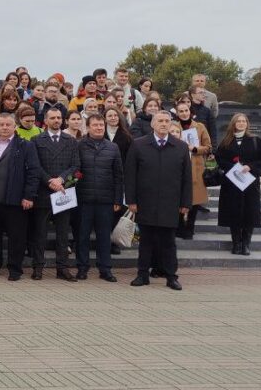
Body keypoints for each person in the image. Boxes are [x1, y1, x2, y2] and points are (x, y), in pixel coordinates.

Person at [125, 112, 192, 290]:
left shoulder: (180, 147)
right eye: (160, 121)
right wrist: (131, 200)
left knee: (168, 242)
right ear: (153, 124)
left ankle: (171, 277)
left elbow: (186, 178)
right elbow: (130, 175)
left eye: (167, 121)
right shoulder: (139, 145)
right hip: (145, 202)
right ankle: (142, 274)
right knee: (146, 241)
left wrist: (186, 203)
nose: (164, 124)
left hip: (170, 203)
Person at [0, 113, 40, 281]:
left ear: (14, 127)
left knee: (16, 237)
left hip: (16, 200)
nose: (4, 127)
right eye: (1, 124)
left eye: (8, 125)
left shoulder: (25, 146)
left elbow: (33, 172)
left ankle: (15, 269)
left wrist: (29, 196)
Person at [30, 107, 79, 282]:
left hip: (64, 193)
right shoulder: (36, 140)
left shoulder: (71, 141)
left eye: (59, 117)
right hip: (43, 192)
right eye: (53, 118)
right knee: (40, 233)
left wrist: (61, 179)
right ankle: (38, 267)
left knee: (63, 233)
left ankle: (62, 268)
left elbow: (75, 166)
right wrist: (50, 181)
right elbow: (35, 166)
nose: (57, 120)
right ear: (45, 120)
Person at [74, 114, 124, 282]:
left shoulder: (113, 147)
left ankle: (105, 269)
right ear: (87, 127)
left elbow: (119, 176)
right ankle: (82, 268)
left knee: (104, 237)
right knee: (82, 237)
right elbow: (74, 171)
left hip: (106, 201)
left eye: (101, 125)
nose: (99, 128)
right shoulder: (79, 146)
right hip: (84, 200)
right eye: (95, 125)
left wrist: (118, 199)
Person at [215, 113, 261, 255]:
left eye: (243, 121)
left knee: (249, 212)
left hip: (249, 183)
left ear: (247, 124)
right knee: (233, 212)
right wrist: (233, 168)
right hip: (232, 183)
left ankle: (245, 243)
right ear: (233, 124)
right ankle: (236, 242)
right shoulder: (226, 141)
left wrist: (250, 166)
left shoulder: (255, 140)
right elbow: (219, 159)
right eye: (238, 121)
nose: (241, 123)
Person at [174, 102, 213, 239]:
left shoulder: (200, 126)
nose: (184, 113)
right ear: (177, 113)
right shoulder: (173, 126)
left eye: (186, 110)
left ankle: (190, 227)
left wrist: (195, 149)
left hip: (196, 166)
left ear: (190, 112)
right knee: (178, 197)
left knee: (195, 200)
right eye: (181, 111)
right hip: (178, 166)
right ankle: (179, 226)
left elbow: (208, 146)